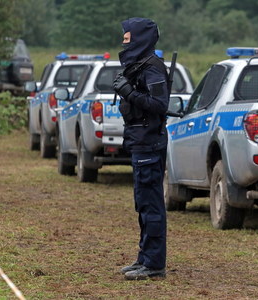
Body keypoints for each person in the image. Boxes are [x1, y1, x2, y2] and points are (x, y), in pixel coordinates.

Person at [112, 18, 170, 280]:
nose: (124, 43)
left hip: (149, 142)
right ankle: (144, 257)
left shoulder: (153, 69)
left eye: (127, 39)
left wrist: (128, 93)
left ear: (140, 39)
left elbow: (159, 104)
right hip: (139, 141)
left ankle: (155, 264)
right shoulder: (138, 66)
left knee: (151, 205)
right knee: (142, 204)